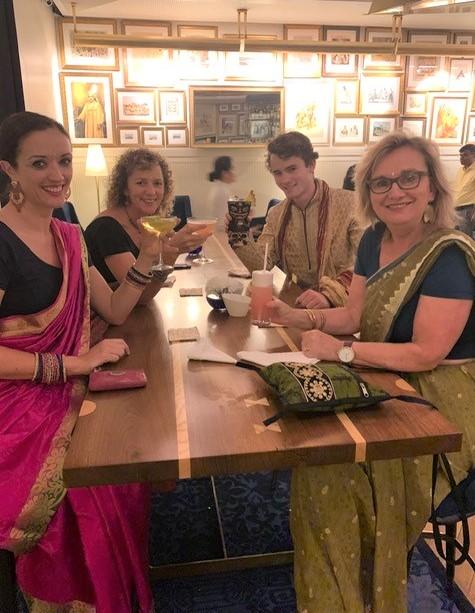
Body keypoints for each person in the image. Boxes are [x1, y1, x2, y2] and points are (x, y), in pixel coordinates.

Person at [267, 132, 475, 613]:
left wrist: (343, 354)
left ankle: (360, 595)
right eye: (381, 182)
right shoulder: (372, 240)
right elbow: (352, 316)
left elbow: (425, 354)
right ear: (367, 192)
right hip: (385, 377)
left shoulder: (447, 254)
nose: (394, 191)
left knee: (339, 467)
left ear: (432, 186)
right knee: (316, 450)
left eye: (409, 178)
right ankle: (338, 594)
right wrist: (297, 317)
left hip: (443, 398)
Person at [0, 111, 165, 612]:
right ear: (9, 170)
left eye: (64, 161)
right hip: (17, 402)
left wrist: (149, 255)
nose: (57, 174)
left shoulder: (69, 236)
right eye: (39, 163)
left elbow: (115, 308)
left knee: (124, 460)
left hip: (67, 386)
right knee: (89, 486)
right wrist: (73, 365)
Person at [226, 131, 363, 308]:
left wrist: (329, 296)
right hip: (295, 305)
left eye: (292, 169)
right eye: (278, 173)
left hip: (342, 309)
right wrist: (239, 234)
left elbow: (369, 264)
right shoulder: (276, 214)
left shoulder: (351, 204)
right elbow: (262, 265)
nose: (285, 179)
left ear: (311, 165)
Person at [85, 148, 207, 304]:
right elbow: (140, 297)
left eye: (157, 183)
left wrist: (167, 248)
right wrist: (171, 253)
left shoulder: (146, 223)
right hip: (107, 318)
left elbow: (149, 270)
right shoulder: (106, 229)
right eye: (141, 183)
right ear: (124, 188)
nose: (151, 191)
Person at [206, 155, 236, 228]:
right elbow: (223, 222)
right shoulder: (222, 191)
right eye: (232, 170)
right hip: (221, 231)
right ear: (224, 173)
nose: (234, 173)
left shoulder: (220, 188)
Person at [453, 143, 475, 237]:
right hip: (455, 208)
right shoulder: (461, 170)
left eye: (465, 155)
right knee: (455, 235)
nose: (461, 158)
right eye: (460, 155)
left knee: (465, 237)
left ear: (473, 155)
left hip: (468, 209)